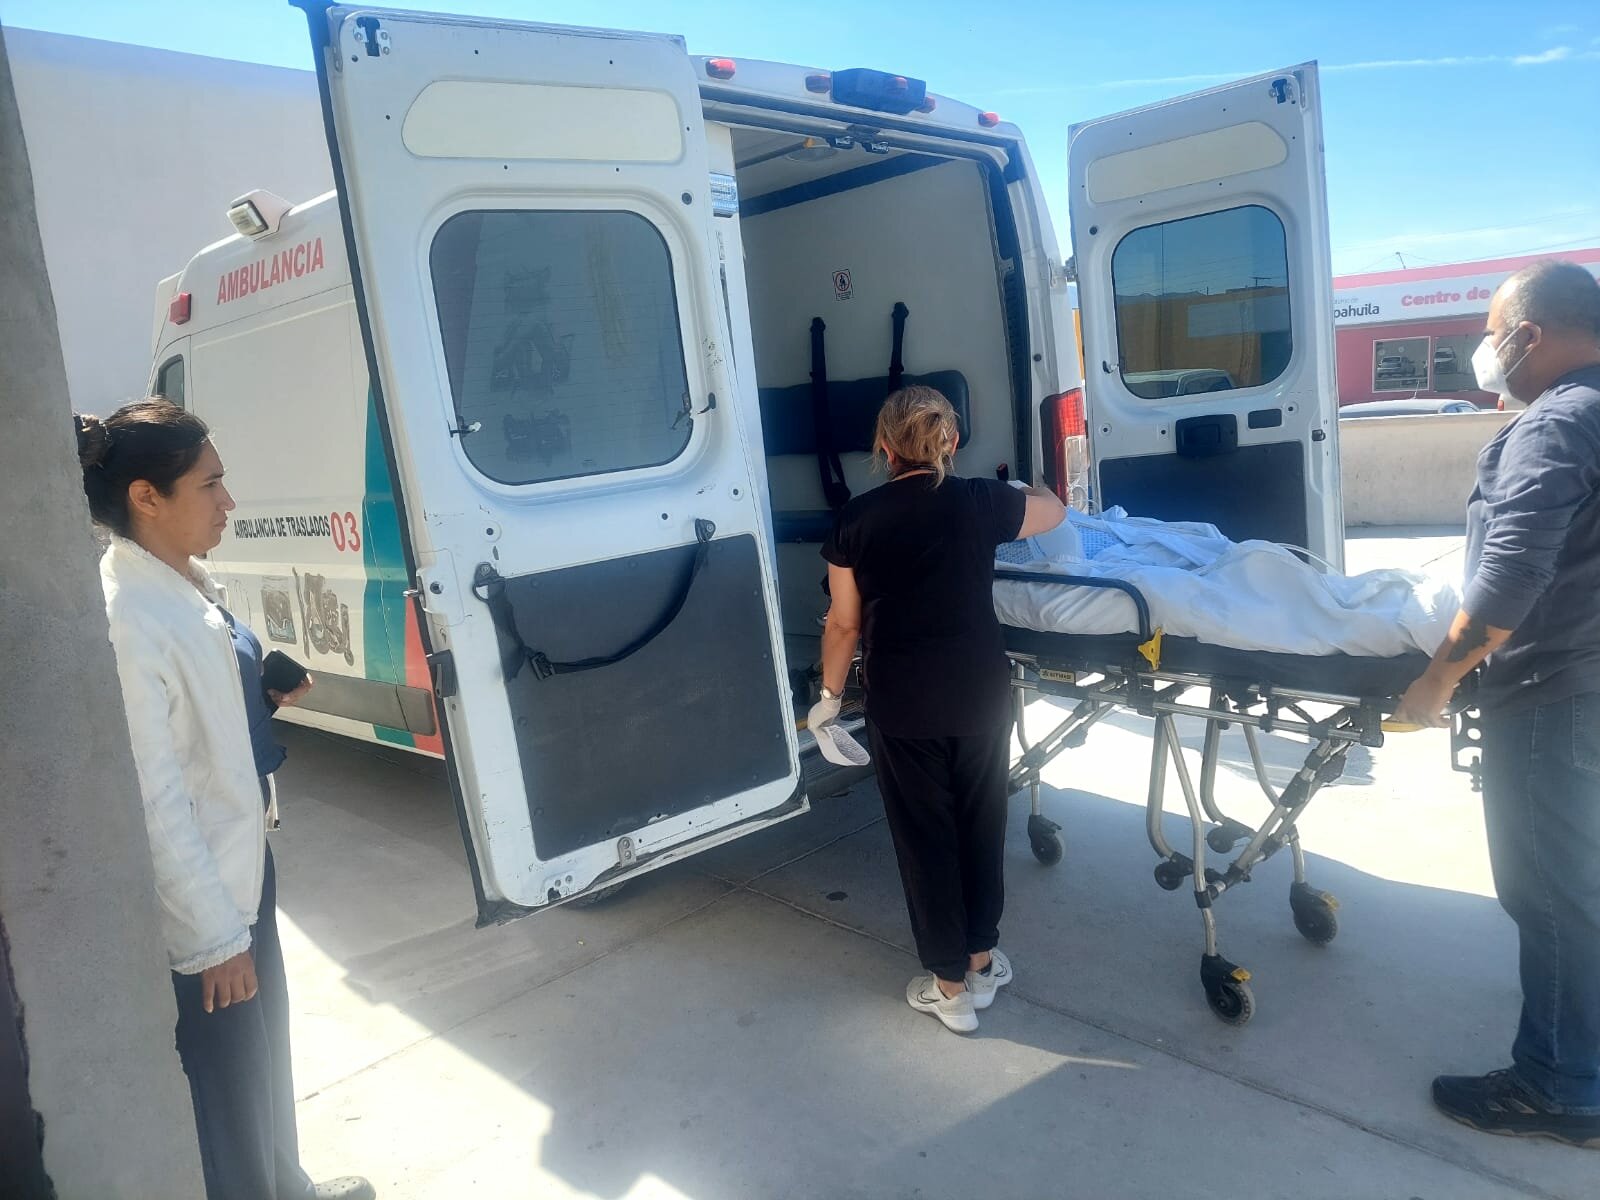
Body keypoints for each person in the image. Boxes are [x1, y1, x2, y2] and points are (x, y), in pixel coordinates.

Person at [76, 399, 374, 1199]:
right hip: (206, 893)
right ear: (146, 497)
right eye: (210, 485)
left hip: (243, 865)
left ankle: (286, 1185)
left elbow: (200, 720)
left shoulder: (181, 584)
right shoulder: (130, 619)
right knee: (231, 1094)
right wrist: (213, 940)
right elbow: (154, 797)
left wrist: (260, 691)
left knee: (264, 1061)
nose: (229, 502)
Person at [1394, 260, 1600, 1147]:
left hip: (1554, 691)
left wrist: (1438, 678)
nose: (1485, 351)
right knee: (1580, 886)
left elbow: (1514, 572)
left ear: (1529, 335)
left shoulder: (1557, 422)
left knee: (1550, 893)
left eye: (1490, 334)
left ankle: (1558, 1087)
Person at [809, 386, 1066, 1033]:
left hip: (903, 700)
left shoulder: (855, 520)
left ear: (883, 447)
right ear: (950, 441)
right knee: (982, 822)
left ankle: (949, 986)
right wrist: (1031, 487)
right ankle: (980, 961)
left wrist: (828, 701)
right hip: (980, 691)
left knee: (925, 836)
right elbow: (1055, 512)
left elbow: (843, 624)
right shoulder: (982, 501)